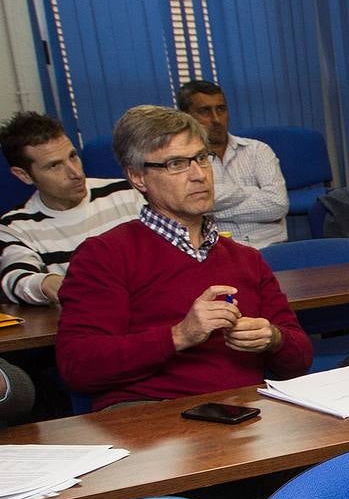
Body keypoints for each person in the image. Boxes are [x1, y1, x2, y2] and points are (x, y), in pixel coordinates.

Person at [56, 105, 311, 410]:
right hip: (152, 417)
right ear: (138, 177)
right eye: (177, 163)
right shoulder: (104, 254)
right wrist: (179, 336)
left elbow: (300, 360)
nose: (199, 175)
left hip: (244, 414)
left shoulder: (246, 258)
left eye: (202, 158)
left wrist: (274, 339)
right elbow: (78, 366)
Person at [0, 111, 143, 304]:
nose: (75, 172)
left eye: (73, 156)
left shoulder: (128, 192)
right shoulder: (15, 226)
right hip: (95, 322)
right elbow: (15, 279)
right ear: (23, 175)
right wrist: (47, 283)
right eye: (54, 166)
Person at [175, 80, 289, 248]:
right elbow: (185, 209)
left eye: (221, 109)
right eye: (205, 111)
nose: (216, 119)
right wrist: (249, 193)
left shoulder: (258, 150)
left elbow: (277, 205)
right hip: (219, 253)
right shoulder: (181, 161)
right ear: (186, 117)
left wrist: (210, 210)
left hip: (271, 246)